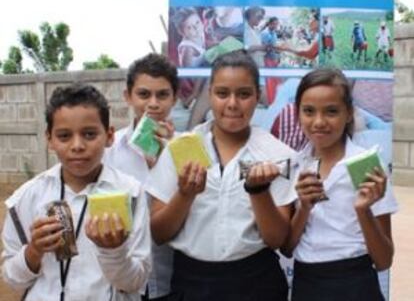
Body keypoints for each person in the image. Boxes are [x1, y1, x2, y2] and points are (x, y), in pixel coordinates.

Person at [146, 50, 296, 301]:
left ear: (258, 96)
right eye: (222, 93)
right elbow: (159, 233)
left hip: (256, 283)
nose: (233, 104)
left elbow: (277, 239)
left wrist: (259, 192)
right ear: (209, 94)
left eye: (244, 94)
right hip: (191, 283)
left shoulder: (276, 153)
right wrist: (185, 195)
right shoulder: (181, 148)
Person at [1, 84, 151, 301]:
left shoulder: (131, 194)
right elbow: (12, 279)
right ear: (49, 139)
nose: (77, 145)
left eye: (89, 134)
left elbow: (136, 282)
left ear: (109, 136)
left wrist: (114, 251)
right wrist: (33, 251)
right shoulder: (28, 197)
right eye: (64, 136)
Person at [282, 68, 398, 301]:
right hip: (307, 283)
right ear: (298, 114)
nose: (319, 122)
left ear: (348, 114)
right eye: (309, 111)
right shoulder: (294, 165)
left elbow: (384, 259)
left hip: (356, 283)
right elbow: (286, 248)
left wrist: (363, 210)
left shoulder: (366, 166)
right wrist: (303, 208)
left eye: (331, 111)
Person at [104, 53, 179, 301]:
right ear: (128, 96)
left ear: (175, 98)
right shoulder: (110, 152)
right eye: (144, 94)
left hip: (174, 278)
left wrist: (165, 162)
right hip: (124, 284)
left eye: (163, 95)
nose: (153, 104)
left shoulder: (187, 150)